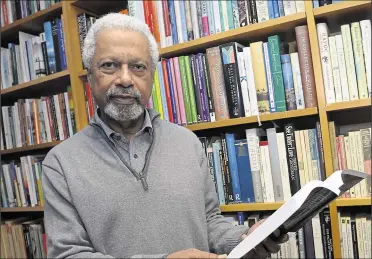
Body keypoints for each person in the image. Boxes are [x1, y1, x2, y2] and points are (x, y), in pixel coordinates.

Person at [42, 13, 287, 259]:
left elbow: (208, 221)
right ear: (90, 76)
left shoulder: (187, 142)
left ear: (152, 76)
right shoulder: (61, 163)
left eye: (138, 67)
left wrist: (246, 239)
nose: (125, 79)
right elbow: (68, 255)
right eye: (109, 65)